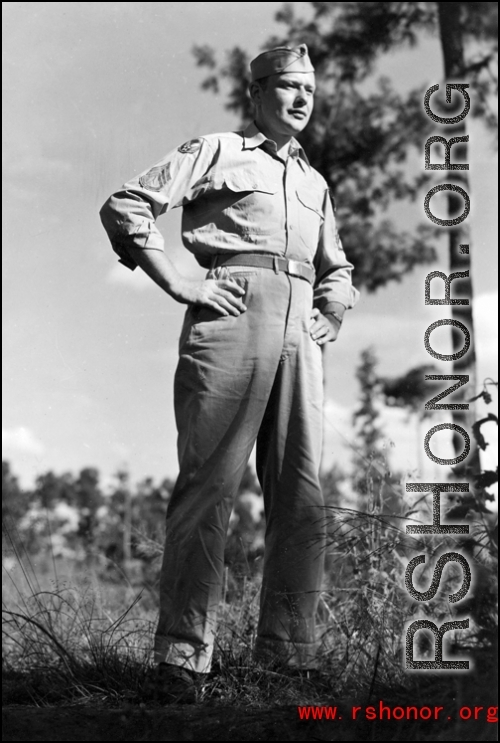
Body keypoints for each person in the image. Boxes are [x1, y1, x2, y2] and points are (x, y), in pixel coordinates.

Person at [100, 43, 359, 700]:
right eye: (290, 86)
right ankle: (183, 659)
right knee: (210, 485)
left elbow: (338, 267)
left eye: (312, 90)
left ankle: (290, 657)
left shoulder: (313, 182)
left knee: (301, 498)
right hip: (231, 315)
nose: (303, 99)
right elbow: (128, 205)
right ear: (258, 91)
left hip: (302, 334)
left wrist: (331, 310)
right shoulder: (217, 151)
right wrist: (183, 282)